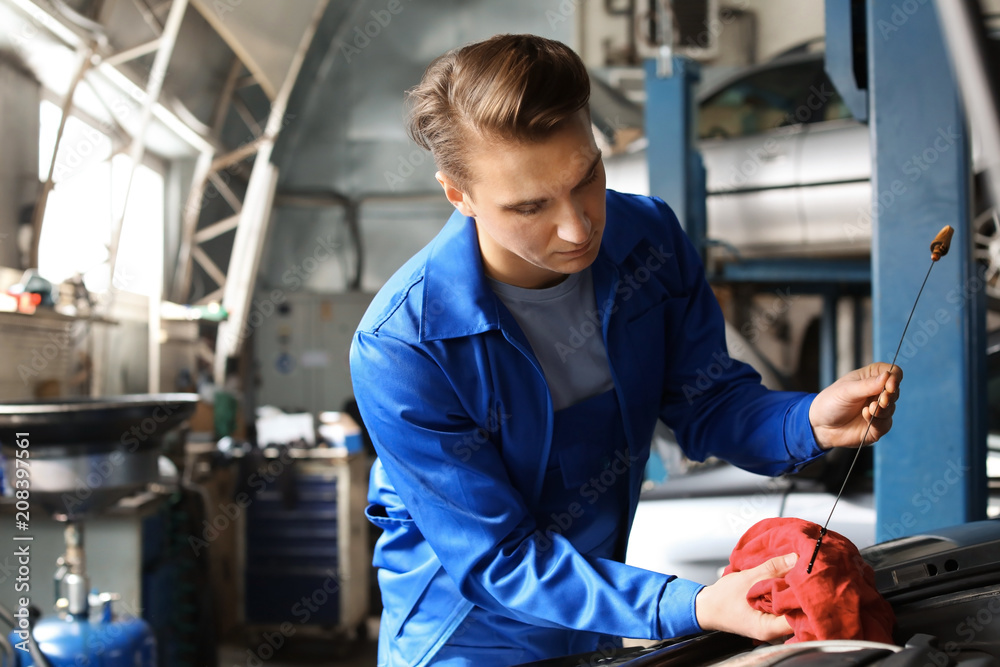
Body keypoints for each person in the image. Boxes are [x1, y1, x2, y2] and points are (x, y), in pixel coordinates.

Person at [349, 33, 902, 667]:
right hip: (464, 639)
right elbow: (498, 558)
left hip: (598, 614)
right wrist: (690, 606)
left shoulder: (647, 239)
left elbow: (707, 400)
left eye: (587, 178)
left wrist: (805, 420)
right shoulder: (404, 347)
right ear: (459, 195)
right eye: (529, 206)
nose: (577, 227)